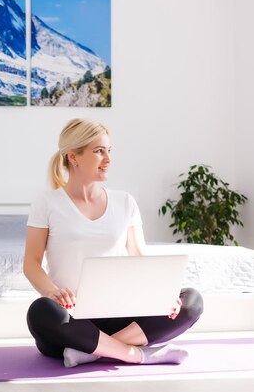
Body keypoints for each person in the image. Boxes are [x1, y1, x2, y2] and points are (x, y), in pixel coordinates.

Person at [23, 118, 203, 368]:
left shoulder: (125, 202)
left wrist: (162, 295)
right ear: (73, 157)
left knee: (191, 300)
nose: (108, 159)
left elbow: (139, 257)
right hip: (72, 322)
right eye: (99, 151)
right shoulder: (47, 203)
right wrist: (52, 292)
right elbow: (31, 263)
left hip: (120, 316)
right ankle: (136, 354)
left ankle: (91, 352)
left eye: (109, 151)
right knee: (41, 311)